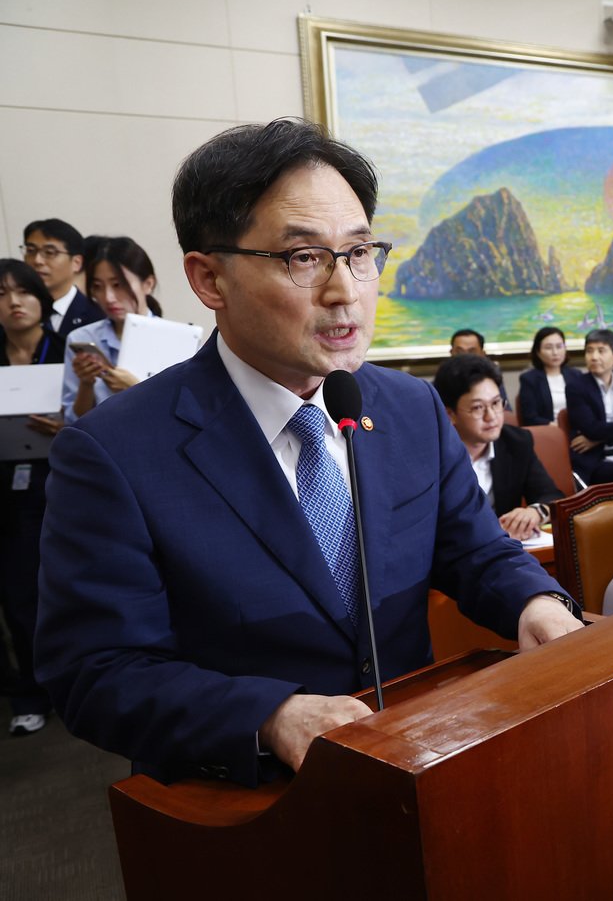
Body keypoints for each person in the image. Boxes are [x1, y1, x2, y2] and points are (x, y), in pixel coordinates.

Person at [35, 119, 581, 787]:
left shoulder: (408, 409)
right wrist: (270, 716)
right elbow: (96, 671)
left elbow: (474, 549)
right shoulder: (114, 451)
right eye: (303, 257)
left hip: (421, 771)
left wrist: (538, 606)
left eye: (358, 252)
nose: (345, 289)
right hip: (248, 810)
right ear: (210, 279)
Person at [0, 260, 64, 735]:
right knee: (17, 592)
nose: (14, 302)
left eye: (22, 291)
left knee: (58, 588)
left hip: (59, 478)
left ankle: (65, 684)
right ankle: (28, 693)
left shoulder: (70, 347)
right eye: (1, 294)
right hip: (6, 487)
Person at [433, 355, 562, 540]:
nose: (492, 416)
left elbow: (552, 496)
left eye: (496, 403)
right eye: (478, 408)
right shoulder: (432, 455)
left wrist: (535, 512)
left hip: (503, 555)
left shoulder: (516, 443)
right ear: (449, 414)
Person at [60, 236, 163, 423]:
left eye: (118, 285)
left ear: (148, 284)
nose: (108, 297)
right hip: (100, 447)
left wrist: (135, 389)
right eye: (97, 287)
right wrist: (86, 383)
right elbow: (75, 423)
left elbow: (182, 420)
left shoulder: (175, 339)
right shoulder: (81, 338)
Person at [22, 218, 104, 344]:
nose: (37, 260)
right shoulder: (12, 314)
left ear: (76, 263)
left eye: (49, 252)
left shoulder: (98, 316)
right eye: (31, 251)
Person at [565, 328, 613, 484]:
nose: (594, 357)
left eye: (601, 351)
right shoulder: (576, 386)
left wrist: (598, 439)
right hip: (593, 458)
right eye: (589, 351)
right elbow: (590, 428)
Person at [516, 326, 582, 426]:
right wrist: (557, 427)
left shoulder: (576, 375)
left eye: (559, 346)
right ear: (538, 352)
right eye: (548, 348)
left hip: (577, 430)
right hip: (549, 432)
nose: (555, 352)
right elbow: (529, 417)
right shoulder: (529, 379)